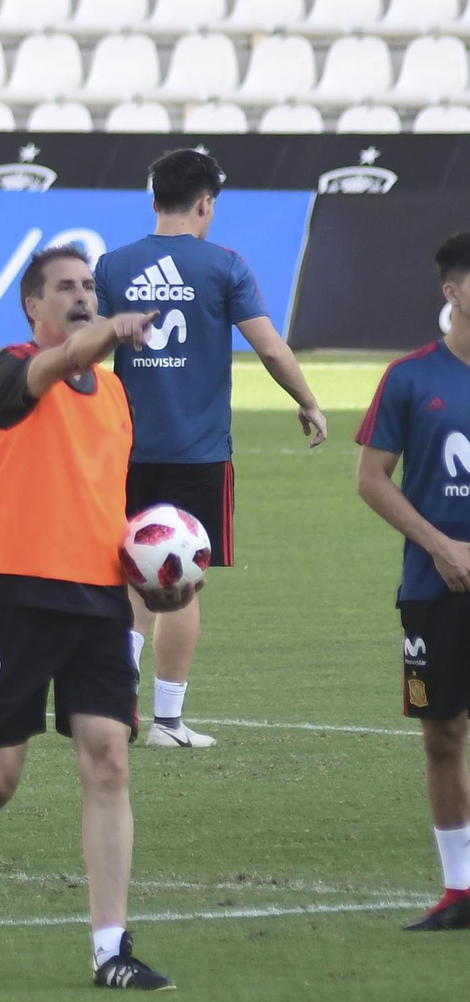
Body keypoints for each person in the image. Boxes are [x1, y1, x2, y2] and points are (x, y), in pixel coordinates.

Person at [0, 244, 188, 989]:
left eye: (90, 287)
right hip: (17, 598)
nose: (82, 296)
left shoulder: (116, 397)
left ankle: (110, 949)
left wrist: (152, 584)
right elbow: (57, 365)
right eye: (66, 287)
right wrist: (109, 331)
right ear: (33, 306)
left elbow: (110, 510)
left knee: (109, 757)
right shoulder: (10, 373)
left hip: (98, 602)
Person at [95, 149, 328, 749]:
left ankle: (114, 707)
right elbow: (272, 350)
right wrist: (307, 400)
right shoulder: (224, 266)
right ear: (205, 204)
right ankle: (167, 722)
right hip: (197, 454)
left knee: (132, 574)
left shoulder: (114, 266)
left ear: (154, 201)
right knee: (181, 578)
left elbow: (86, 351)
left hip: (127, 451)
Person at [356, 231, 470, 931]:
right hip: (436, 585)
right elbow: (371, 480)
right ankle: (460, 890)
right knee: (442, 732)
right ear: (452, 292)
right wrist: (440, 544)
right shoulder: (410, 377)